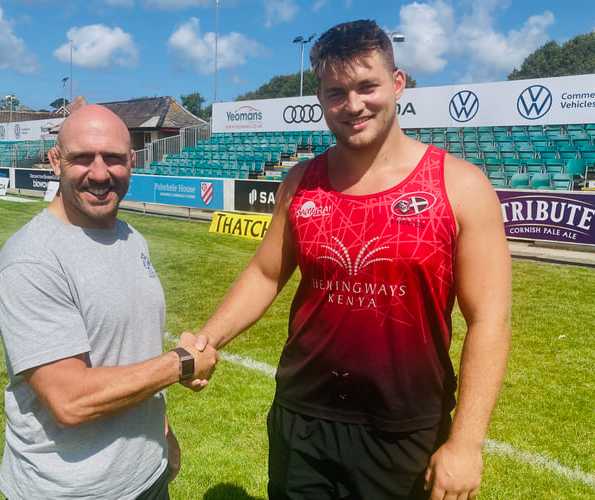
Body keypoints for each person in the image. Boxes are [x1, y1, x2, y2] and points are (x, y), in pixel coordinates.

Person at [196, 20, 511, 500]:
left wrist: (466, 444)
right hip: (303, 417)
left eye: (368, 86)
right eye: (336, 92)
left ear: (398, 83)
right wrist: (207, 340)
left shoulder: (460, 185)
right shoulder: (301, 181)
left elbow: (490, 319)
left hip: (405, 426)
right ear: (320, 98)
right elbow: (265, 273)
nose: (354, 104)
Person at [0, 104, 218, 499]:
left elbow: (130, 351)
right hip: (71, 491)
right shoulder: (32, 260)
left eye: (113, 158)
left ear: (132, 161)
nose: (100, 173)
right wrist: (179, 363)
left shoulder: (131, 238)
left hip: (145, 476)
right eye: (82, 158)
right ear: (55, 160)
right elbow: (70, 400)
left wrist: (162, 435)